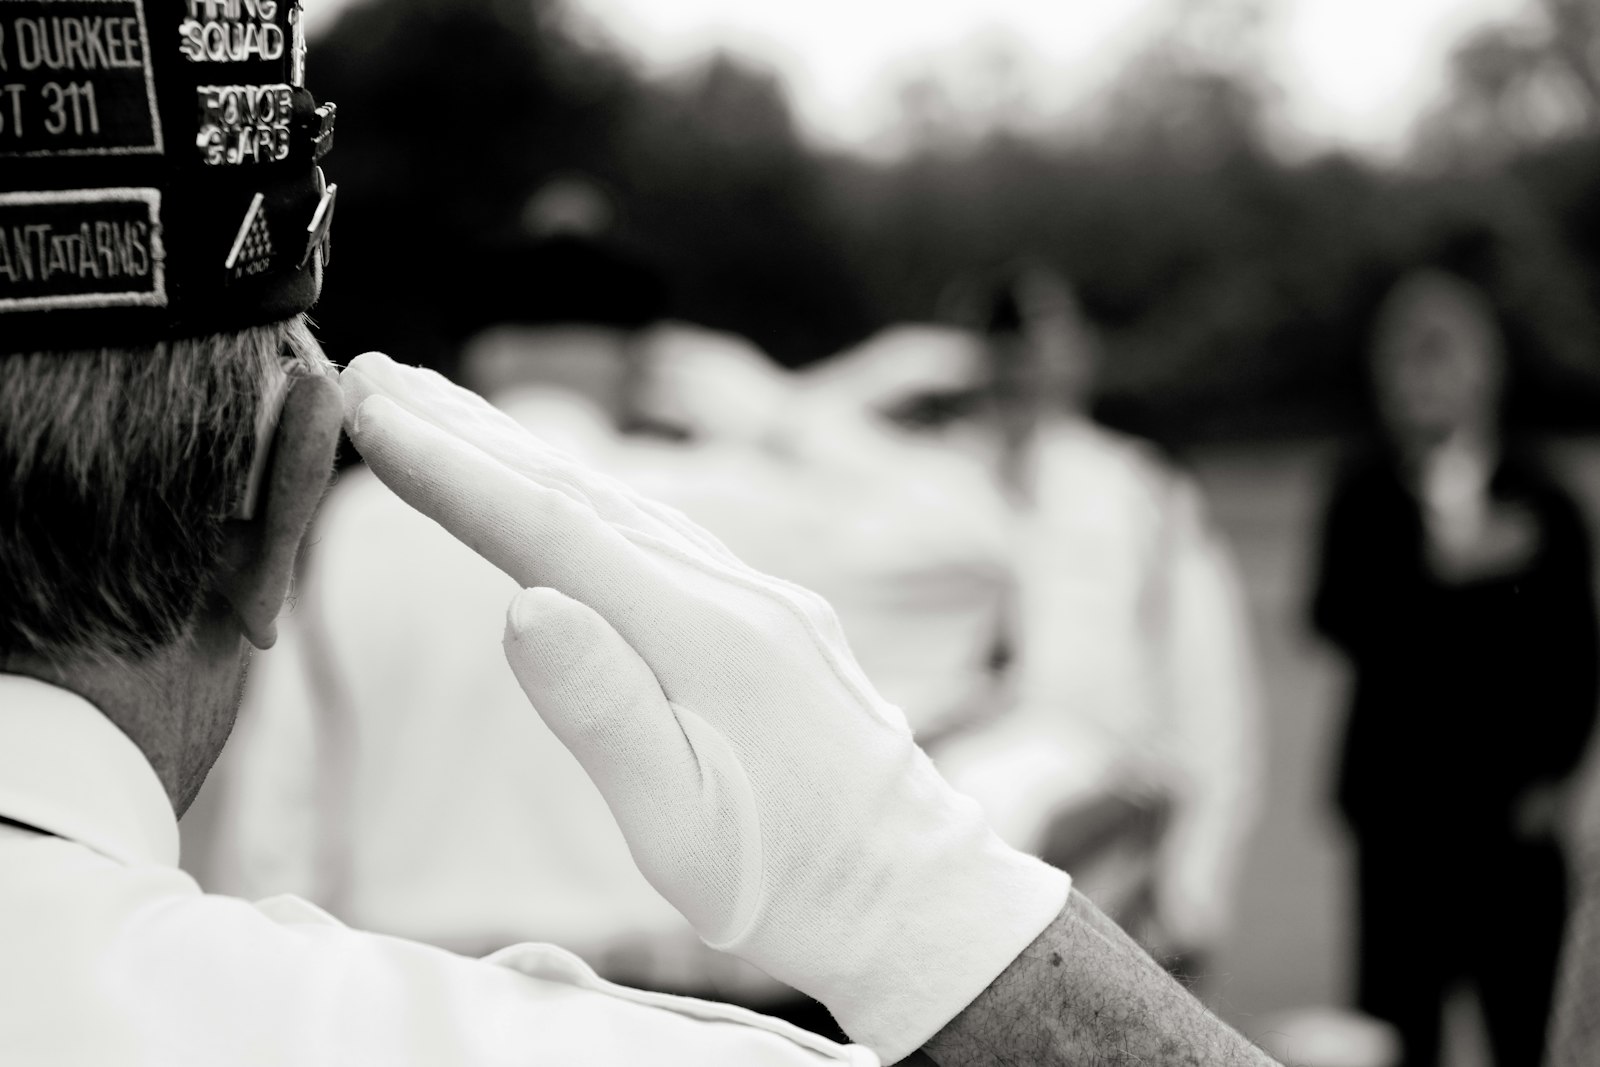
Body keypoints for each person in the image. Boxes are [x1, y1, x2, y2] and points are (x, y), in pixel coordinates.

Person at [0, 3, 1279, 1063]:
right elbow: (986, 536)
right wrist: (771, 405)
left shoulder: (354, 537)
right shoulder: (703, 507)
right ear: (272, 499)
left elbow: (279, 825)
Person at [1311, 264, 1599, 1067]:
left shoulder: (1543, 491)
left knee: (1525, 1025)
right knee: (1398, 1028)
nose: (1428, 378)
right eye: (1410, 357)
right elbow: (1331, 615)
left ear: (1488, 366)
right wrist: (1438, 570)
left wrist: (1558, 774)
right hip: (1398, 813)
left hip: (1515, 816)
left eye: (1447, 355)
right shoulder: (1361, 487)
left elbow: (1579, 648)